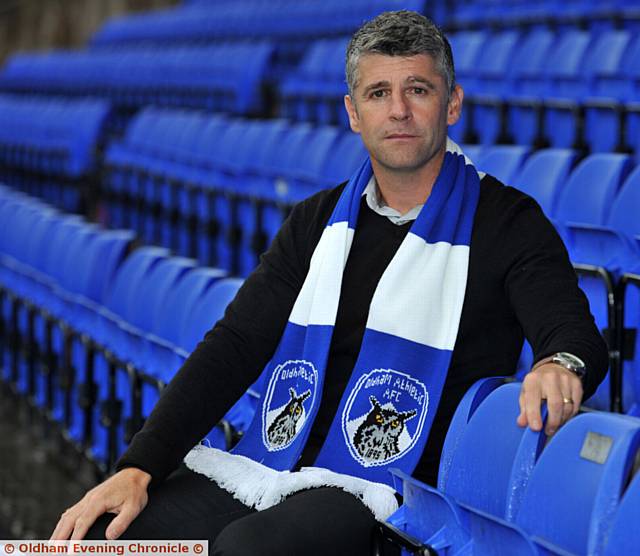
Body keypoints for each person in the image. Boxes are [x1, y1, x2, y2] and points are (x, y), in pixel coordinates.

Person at [50, 10, 607, 555]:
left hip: (397, 486)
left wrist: (559, 364)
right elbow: (236, 344)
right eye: (377, 94)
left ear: (452, 104)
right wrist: (140, 466)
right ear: (352, 113)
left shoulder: (509, 221)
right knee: (103, 540)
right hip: (275, 462)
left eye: (418, 89)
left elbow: (571, 332)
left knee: (249, 549)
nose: (399, 111)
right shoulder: (317, 222)